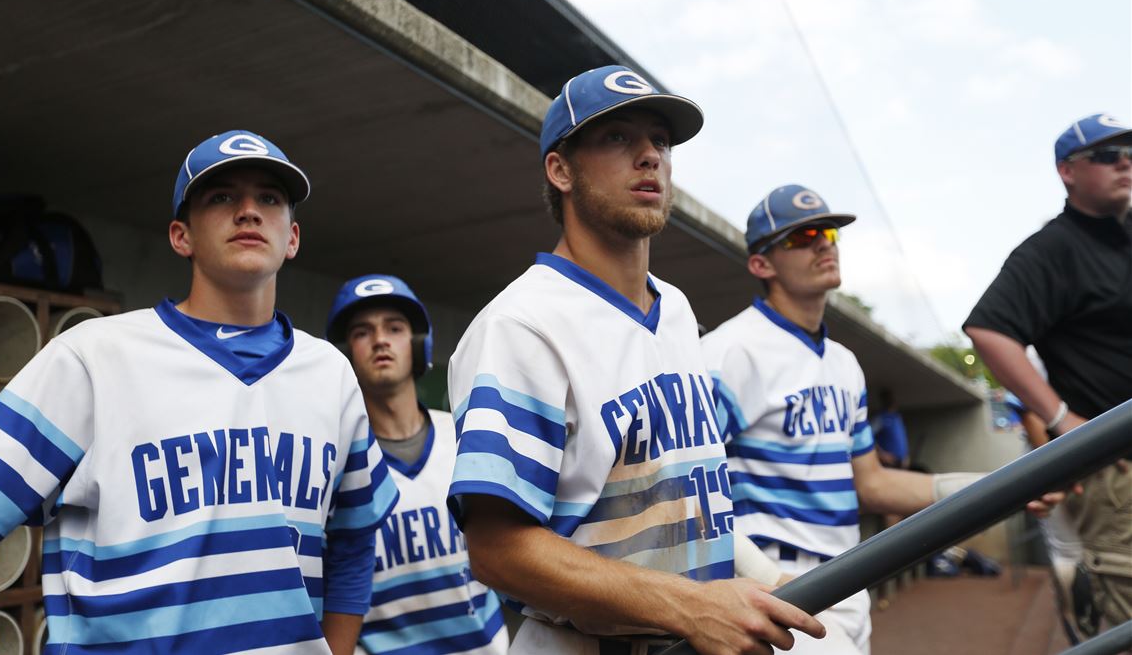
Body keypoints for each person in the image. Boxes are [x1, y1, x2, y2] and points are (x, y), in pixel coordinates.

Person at [446, 66, 825, 655]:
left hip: (700, 634)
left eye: (660, 140)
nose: (650, 155)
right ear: (560, 169)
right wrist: (687, 605)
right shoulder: (520, 324)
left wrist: (762, 576)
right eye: (618, 138)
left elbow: (690, 491)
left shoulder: (674, 307)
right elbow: (497, 548)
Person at [0, 130, 399, 654]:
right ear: (181, 235)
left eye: (269, 199)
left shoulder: (332, 373)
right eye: (222, 196)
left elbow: (353, 539)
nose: (248, 211)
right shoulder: (92, 356)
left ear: (292, 237)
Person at [702, 185, 1059, 655]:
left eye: (828, 233)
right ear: (761, 264)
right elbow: (690, 490)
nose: (823, 244)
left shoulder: (844, 362)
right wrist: (767, 580)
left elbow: (871, 484)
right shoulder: (729, 352)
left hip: (848, 575)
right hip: (774, 576)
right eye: (803, 236)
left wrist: (997, 487)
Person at [965, 112, 1132, 631]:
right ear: (1067, 171)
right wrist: (1062, 418)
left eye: (1129, 153)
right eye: (1106, 156)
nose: (1124, 163)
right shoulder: (1054, 247)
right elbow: (988, 328)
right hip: (1116, 468)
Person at [325, 274, 508, 655]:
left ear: (419, 343)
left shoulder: (466, 437)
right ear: (344, 354)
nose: (380, 340)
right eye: (362, 332)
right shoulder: (335, 464)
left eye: (394, 328)